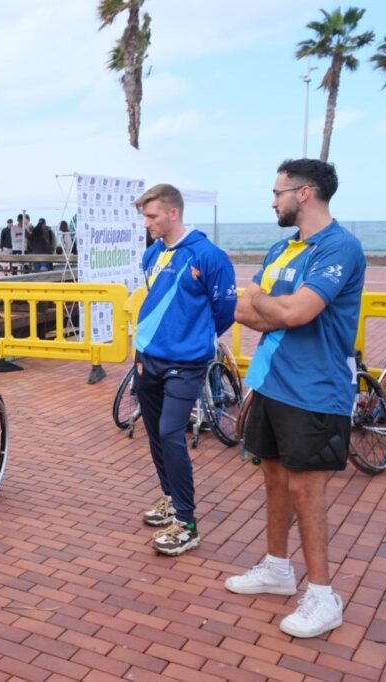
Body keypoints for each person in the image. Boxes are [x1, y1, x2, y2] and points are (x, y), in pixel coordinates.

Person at [224, 159, 363, 639]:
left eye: (277, 192)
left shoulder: (339, 246)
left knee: (307, 489)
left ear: (304, 193)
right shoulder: (282, 248)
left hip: (316, 389)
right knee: (274, 479)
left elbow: (298, 312)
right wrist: (273, 307)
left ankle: (323, 596)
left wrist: (269, 304)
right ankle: (277, 568)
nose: (272, 201)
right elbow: (244, 311)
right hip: (270, 380)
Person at [132, 184, 236, 556]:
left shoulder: (209, 256)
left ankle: (187, 523)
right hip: (147, 357)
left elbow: (224, 311)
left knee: (170, 432)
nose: (147, 224)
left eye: (152, 216)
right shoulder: (152, 254)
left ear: (173, 213)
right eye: (145, 217)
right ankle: (170, 498)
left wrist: (193, 338)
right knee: (155, 433)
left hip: (186, 363)